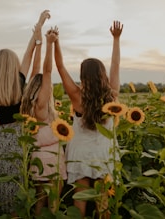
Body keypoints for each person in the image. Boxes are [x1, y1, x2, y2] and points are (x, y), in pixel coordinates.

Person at [0, 10, 51, 215]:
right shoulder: (18, 82)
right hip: (15, 139)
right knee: (15, 186)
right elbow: (29, 54)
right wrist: (39, 26)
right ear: (13, 65)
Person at [53, 21, 123, 218]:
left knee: (80, 203)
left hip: (80, 153)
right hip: (104, 151)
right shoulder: (112, 96)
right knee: (103, 203)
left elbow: (59, 66)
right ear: (102, 75)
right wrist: (116, 39)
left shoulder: (77, 97)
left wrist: (55, 42)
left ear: (83, 75)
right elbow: (116, 65)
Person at [20, 26, 67, 215]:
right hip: (52, 156)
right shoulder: (42, 104)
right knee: (54, 203)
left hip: (36, 156)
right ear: (43, 88)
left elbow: (37, 70)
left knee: (40, 201)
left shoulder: (29, 104)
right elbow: (46, 71)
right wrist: (50, 44)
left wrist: (39, 41)